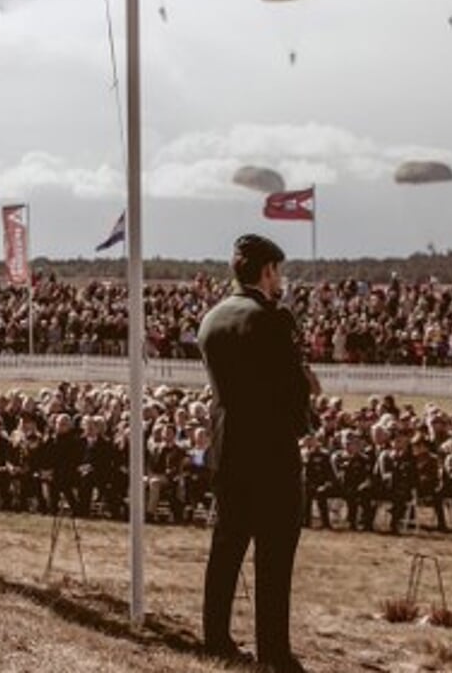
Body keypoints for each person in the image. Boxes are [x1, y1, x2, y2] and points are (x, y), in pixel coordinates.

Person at [198, 234, 316, 673]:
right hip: (270, 452)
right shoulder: (271, 318)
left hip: (228, 447)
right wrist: (307, 394)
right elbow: (288, 389)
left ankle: (215, 637)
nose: (280, 280)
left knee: (225, 549)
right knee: (274, 556)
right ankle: (274, 653)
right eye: (278, 271)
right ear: (267, 272)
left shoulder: (212, 318)